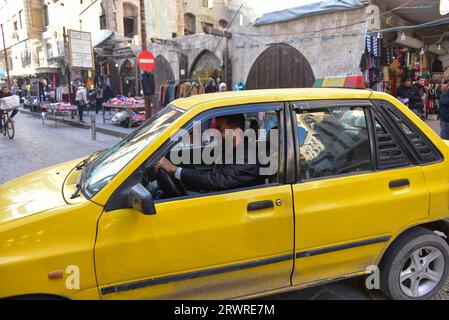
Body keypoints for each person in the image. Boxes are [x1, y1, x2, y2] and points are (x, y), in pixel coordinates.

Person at [155, 114, 264, 193]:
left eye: (219, 129)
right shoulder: (229, 147)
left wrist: (175, 170)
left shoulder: (248, 158)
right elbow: (200, 157)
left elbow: (218, 180)